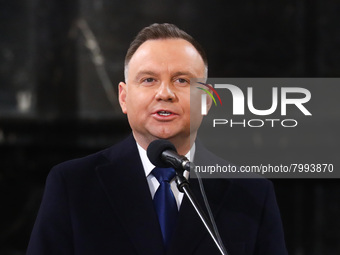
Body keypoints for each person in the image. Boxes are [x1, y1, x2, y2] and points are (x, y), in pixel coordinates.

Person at [26, 23, 288, 255]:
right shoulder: (73, 185)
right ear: (124, 97)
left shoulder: (251, 193)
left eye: (182, 80)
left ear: (207, 101)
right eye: (149, 80)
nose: (165, 93)